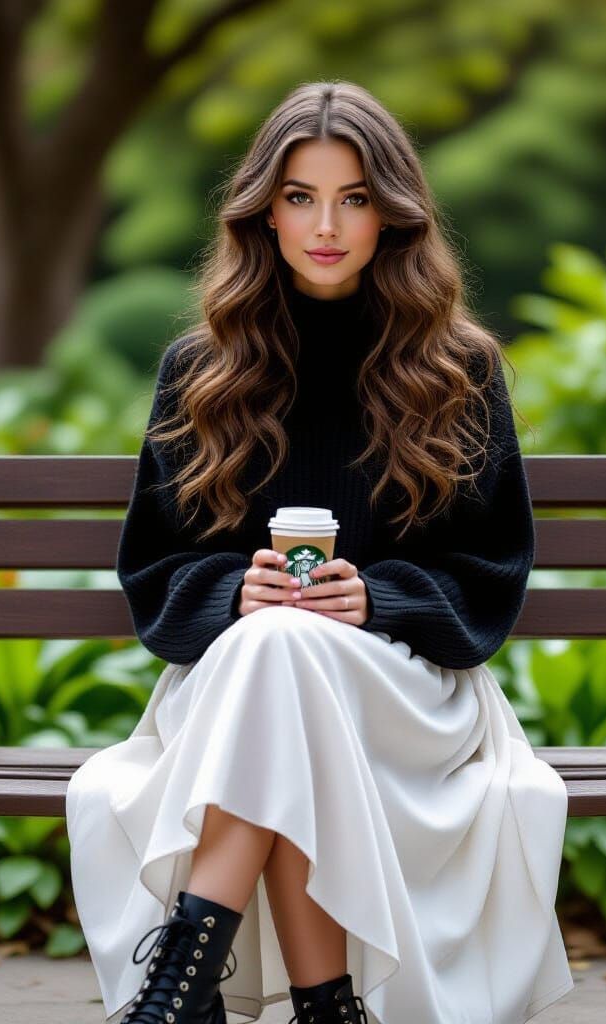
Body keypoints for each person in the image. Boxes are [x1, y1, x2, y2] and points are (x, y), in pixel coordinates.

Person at [65, 79, 572, 1024]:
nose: (326, 226)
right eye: (301, 197)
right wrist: (237, 592)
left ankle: (180, 985)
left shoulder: (457, 369)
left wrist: (376, 600)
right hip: (236, 692)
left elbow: (491, 572)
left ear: (393, 214)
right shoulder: (203, 371)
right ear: (266, 211)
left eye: (354, 198)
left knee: (288, 657)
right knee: (279, 650)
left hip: (404, 692)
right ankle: (325, 1008)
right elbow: (154, 570)